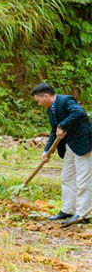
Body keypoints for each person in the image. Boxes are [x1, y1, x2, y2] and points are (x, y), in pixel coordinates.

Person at [32, 83, 92, 224]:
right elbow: (54, 131)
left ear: (45, 96)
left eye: (38, 100)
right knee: (67, 178)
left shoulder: (66, 101)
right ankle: (67, 210)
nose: (39, 103)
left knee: (83, 179)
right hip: (69, 146)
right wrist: (47, 151)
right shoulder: (50, 110)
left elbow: (79, 112)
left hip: (83, 143)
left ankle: (83, 214)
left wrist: (63, 125)